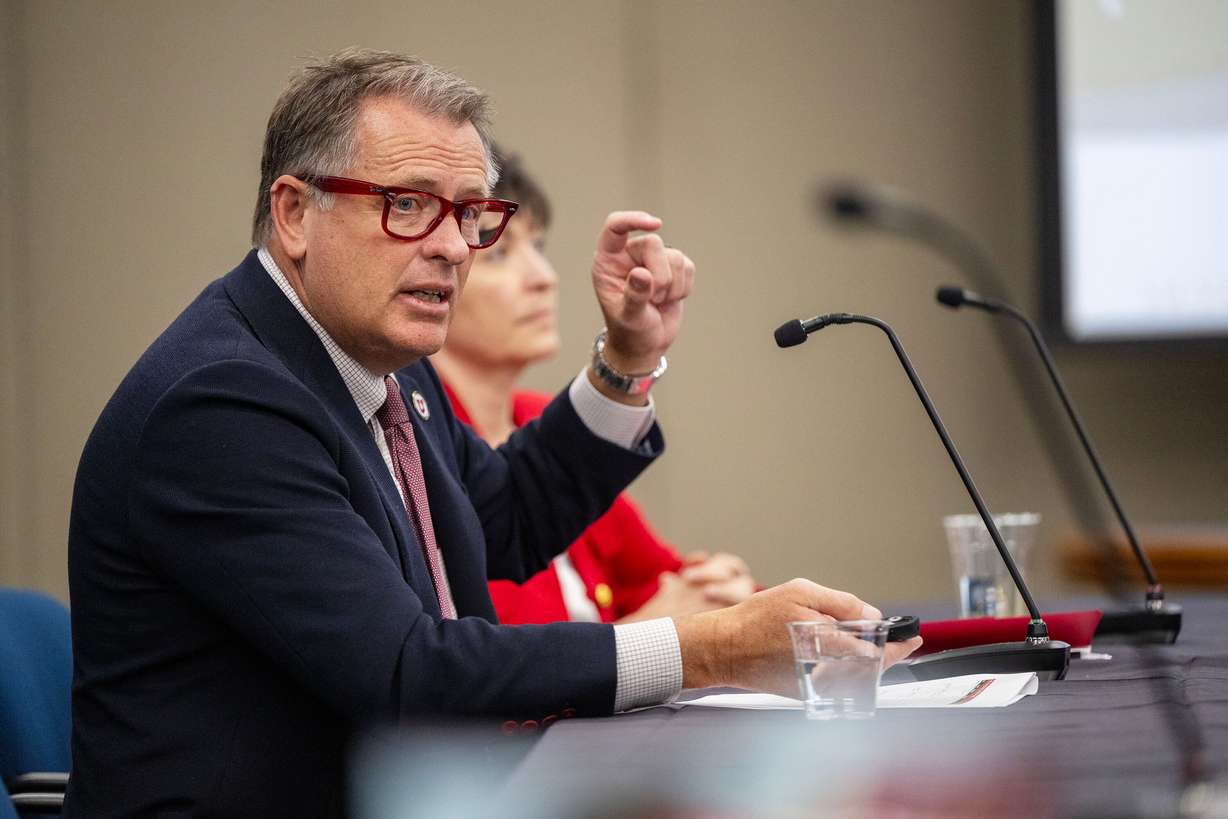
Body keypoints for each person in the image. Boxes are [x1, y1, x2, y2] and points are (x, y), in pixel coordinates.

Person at [65, 48, 920, 817]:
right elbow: (409, 673)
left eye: (469, 212)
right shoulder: (225, 404)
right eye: (409, 205)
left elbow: (502, 517)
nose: (450, 248)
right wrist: (708, 647)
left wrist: (624, 360)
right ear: (294, 213)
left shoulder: (374, 363)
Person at [433, 149, 755, 625]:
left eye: (538, 249)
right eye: (497, 251)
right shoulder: (415, 445)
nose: (545, 278)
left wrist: (734, 597)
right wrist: (654, 634)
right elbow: (485, 666)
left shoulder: (551, 425)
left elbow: (665, 582)